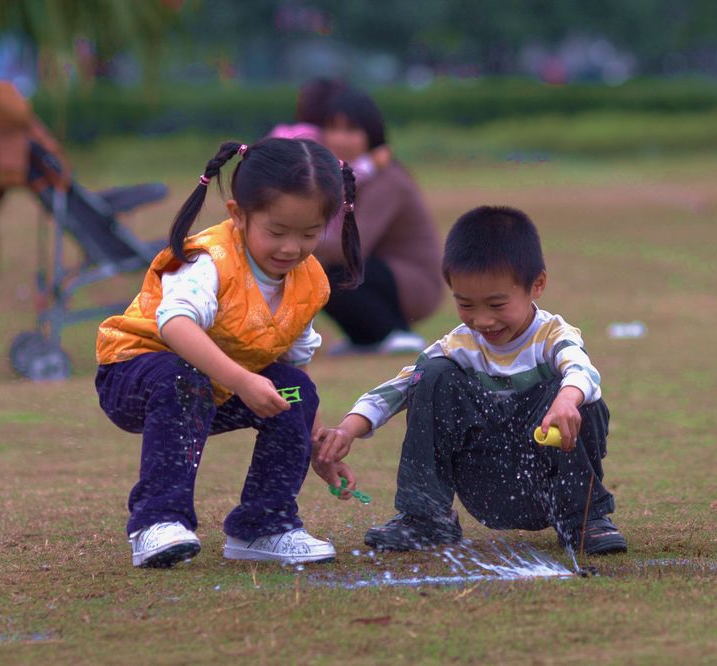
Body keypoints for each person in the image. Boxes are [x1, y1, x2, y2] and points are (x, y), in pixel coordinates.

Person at [95, 138, 363, 568]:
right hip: (136, 376)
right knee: (183, 377)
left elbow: (293, 364)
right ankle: (157, 522)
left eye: (309, 234)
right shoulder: (210, 259)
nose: (292, 248)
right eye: (277, 232)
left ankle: (263, 526)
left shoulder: (308, 280)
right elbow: (175, 325)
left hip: (215, 388)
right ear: (238, 214)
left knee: (295, 390)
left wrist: (315, 444)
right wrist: (241, 380)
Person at [316, 205, 627, 555]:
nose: (481, 320)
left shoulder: (554, 335)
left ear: (537, 285)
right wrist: (347, 429)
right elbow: (399, 387)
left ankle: (585, 519)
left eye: (496, 305)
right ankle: (426, 517)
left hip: (549, 478)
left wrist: (566, 400)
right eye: (466, 304)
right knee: (430, 375)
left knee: (580, 395)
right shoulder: (458, 345)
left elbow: (581, 369)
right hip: (488, 479)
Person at [314, 86, 443, 355]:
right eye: (332, 129)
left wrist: (295, 242)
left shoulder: (387, 179)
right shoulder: (349, 175)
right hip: (378, 272)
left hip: (412, 282)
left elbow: (349, 246)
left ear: (371, 135)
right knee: (320, 274)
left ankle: (391, 332)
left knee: (331, 274)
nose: (339, 138)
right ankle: (364, 338)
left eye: (350, 130)